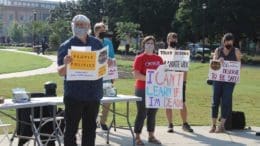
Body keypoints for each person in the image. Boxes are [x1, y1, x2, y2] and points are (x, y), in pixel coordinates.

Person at [57, 14, 103, 146]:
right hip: (74, 96)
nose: (80, 27)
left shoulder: (97, 43)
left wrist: (108, 63)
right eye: (77, 25)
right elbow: (60, 72)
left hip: (93, 95)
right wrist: (66, 64)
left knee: (90, 130)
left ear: (89, 26)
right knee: (71, 130)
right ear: (72, 26)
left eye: (83, 25)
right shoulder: (66, 46)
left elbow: (102, 66)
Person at [133, 35, 163, 145]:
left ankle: (151, 136)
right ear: (143, 45)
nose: (150, 45)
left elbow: (162, 74)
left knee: (153, 113)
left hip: (156, 90)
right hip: (142, 89)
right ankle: (137, 137)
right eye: (147, 43)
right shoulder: (140, 58)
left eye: (151, 43)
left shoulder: (159, 59)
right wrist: (151, 79)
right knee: (142, 113)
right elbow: (136, 74)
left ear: (155, 45)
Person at [209, 33, 242, 133]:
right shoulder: (218, 50)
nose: (229, 43)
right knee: (215, 102)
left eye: (230, 41)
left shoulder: (236, 51)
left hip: (229, 81)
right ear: (223, 42)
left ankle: (222, 125)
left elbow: (239, 66)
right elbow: (213, 66)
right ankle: (213, 125)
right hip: (218, 80)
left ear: (233, 42)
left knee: (226, 102)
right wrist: (218, 60)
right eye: (227, 41)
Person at [165, 32, 194, 133]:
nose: (173, 41)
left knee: (181, 103)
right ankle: (170, 124)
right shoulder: (163, 54)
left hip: (179, 82)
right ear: (167, 40)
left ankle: (185, 124)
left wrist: (184, 81)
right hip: (167, 82)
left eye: (175, 39)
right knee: (168, 103)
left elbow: (185, 69)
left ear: (177, 40)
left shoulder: (181, 53)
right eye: (171, 39)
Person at [94, 22, 115, 131]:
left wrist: (113, 75)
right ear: (96, 32)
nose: (103, 33)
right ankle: (94, 120)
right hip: (94, 76)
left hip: (107, 75)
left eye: (104, 31)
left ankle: (102, 121)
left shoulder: (108, 42)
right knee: (94, 100)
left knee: (108, 99)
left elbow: (112, 58)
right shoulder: (91, 42)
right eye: (101, 31)